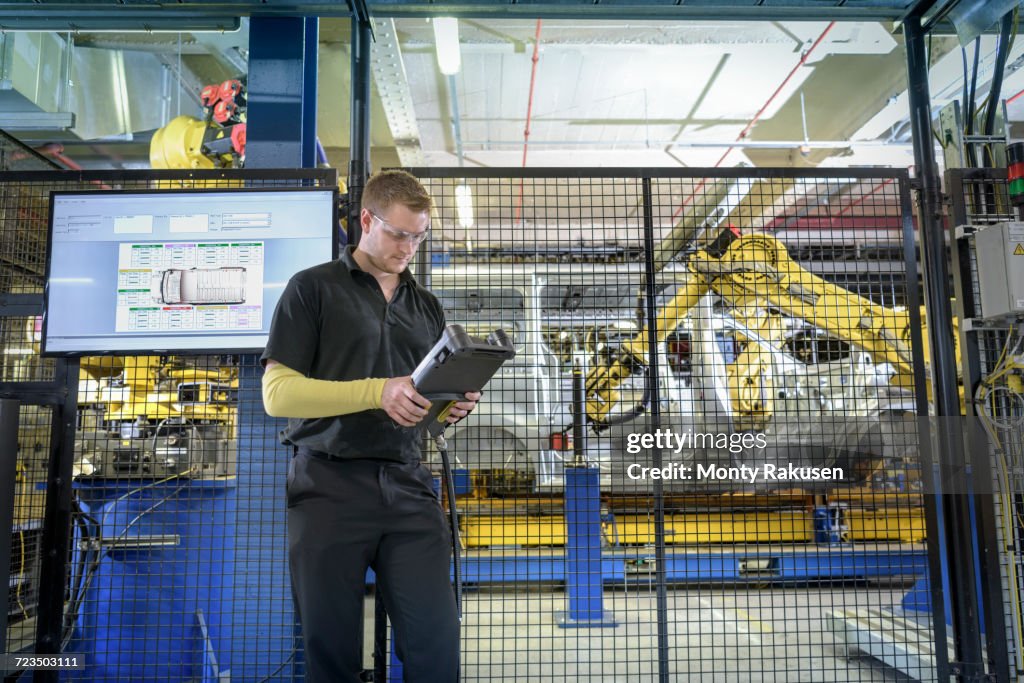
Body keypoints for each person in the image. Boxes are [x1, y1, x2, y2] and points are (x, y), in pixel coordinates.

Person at [261, 169, 479, 683]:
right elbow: (277, 394)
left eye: (419, 237)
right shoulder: (312, 288)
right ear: (366, 220)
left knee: (435, 641)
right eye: (399, 234)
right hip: (328, 486)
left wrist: (452, 407)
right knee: (331, 648)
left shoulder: (426, 306)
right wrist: (376, 391)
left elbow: (420, 406)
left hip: (408, 484)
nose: (409, 248)